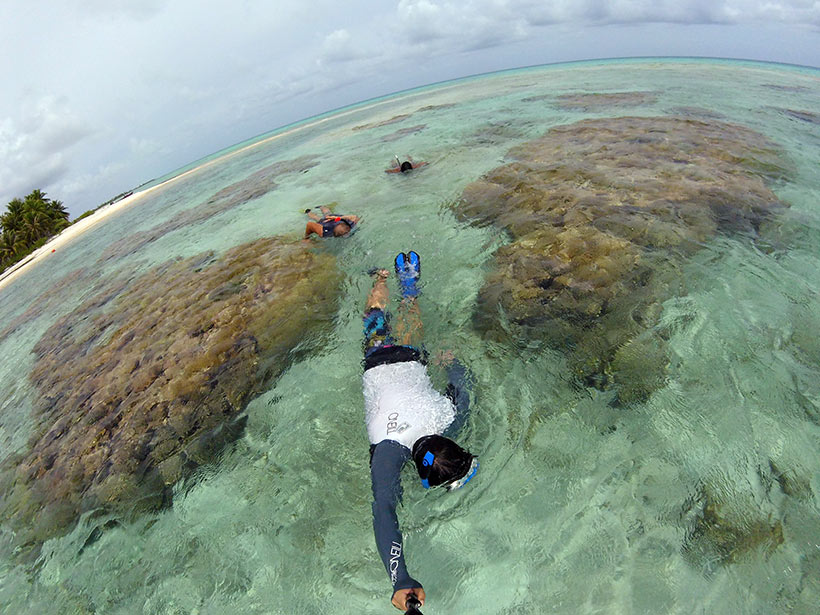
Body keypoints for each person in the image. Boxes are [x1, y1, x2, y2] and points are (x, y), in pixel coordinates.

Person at [362, 251, 478, 611]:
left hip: (411, 355)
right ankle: (381, 280)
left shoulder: (446, 417)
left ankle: (403, 284)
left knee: (409, 313)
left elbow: (462, 385)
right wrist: (400, 579)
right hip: (376, 359)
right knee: (376, 317)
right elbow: (384, 510)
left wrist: (452, 361)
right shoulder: (387, 451)